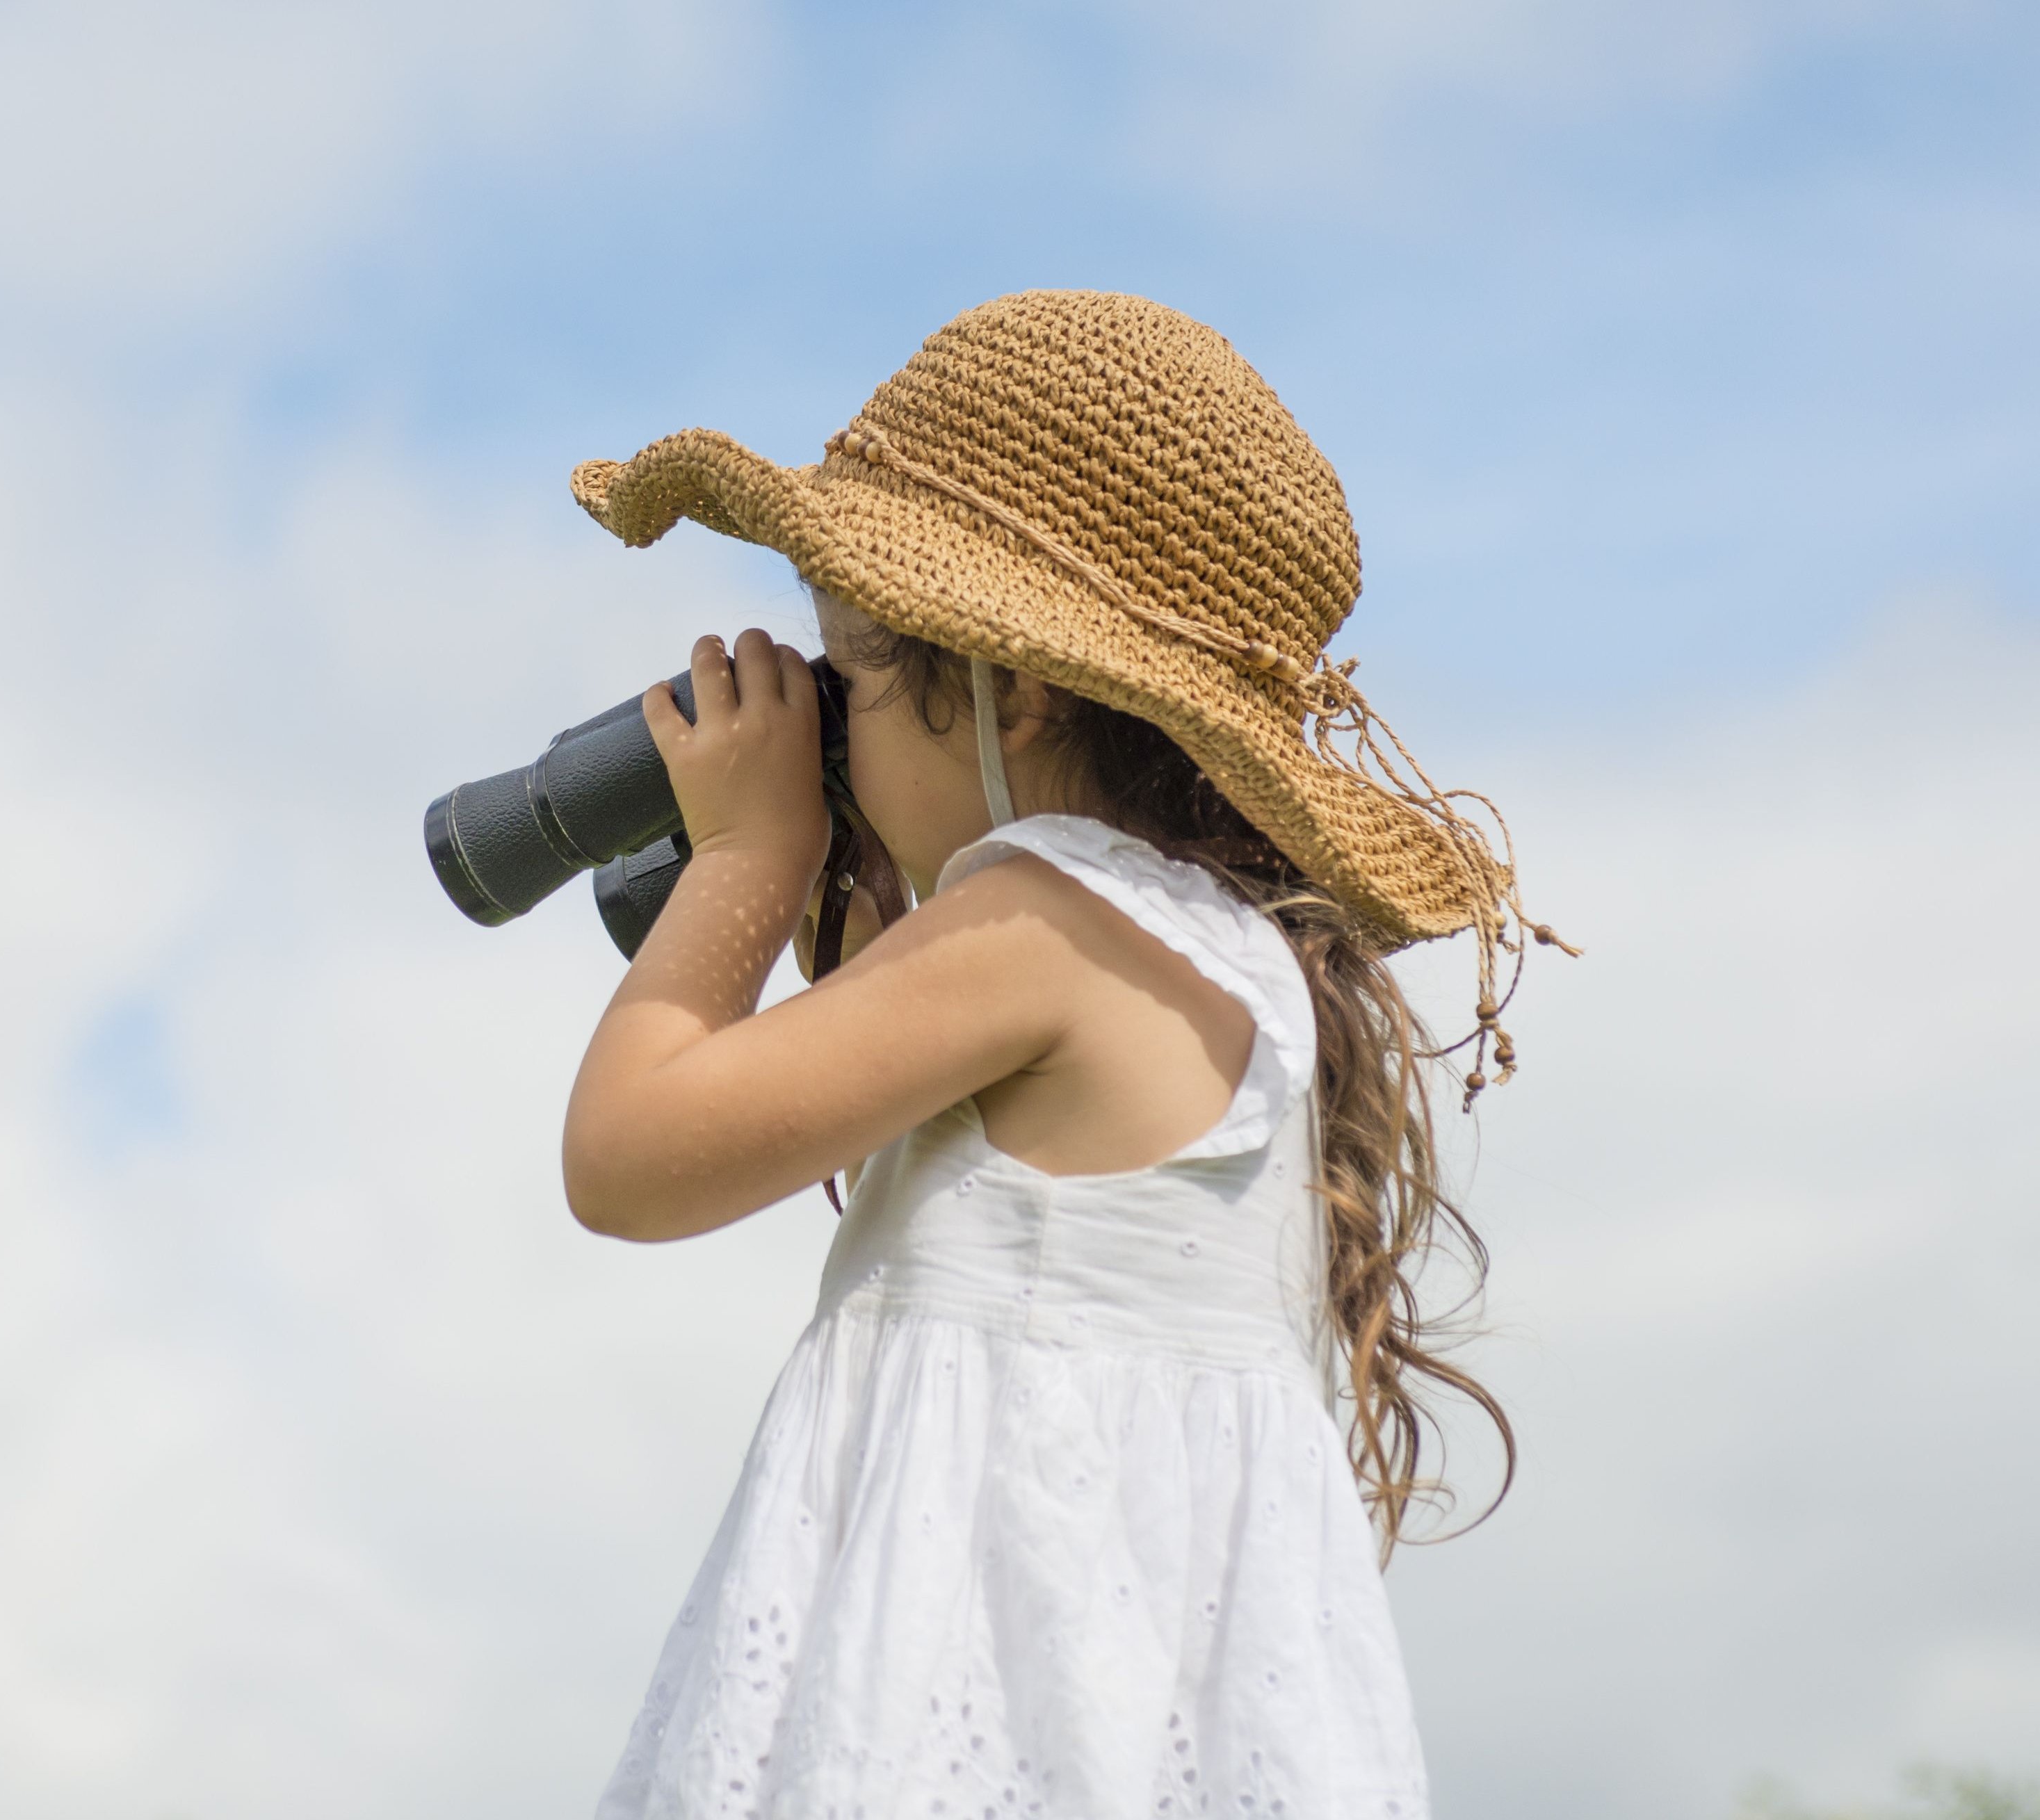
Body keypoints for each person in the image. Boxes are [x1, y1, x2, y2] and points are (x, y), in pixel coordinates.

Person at [558, 291, 1569, 1820]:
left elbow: (629, 1156)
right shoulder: (1192, 956)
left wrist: (744, 856)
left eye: (850, 668)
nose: (828, 720)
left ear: (1008, 686)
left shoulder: (1045, 923)